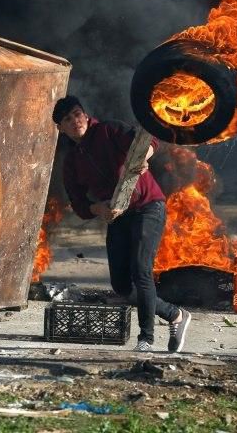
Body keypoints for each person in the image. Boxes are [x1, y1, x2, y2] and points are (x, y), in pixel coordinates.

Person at [52, 95, 191, 352]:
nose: (75, 121)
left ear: (85, 113)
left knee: (141, 270)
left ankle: (146, 339)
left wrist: (141, 158)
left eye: (77, 114)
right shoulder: (72, 161)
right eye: (67, 119)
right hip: (118, 215)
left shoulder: (108, 129)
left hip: (147, 207)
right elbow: (80, 204)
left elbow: (148, 141)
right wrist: (98, 208)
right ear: (60, 128)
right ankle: (174, 315)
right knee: (122, 286)